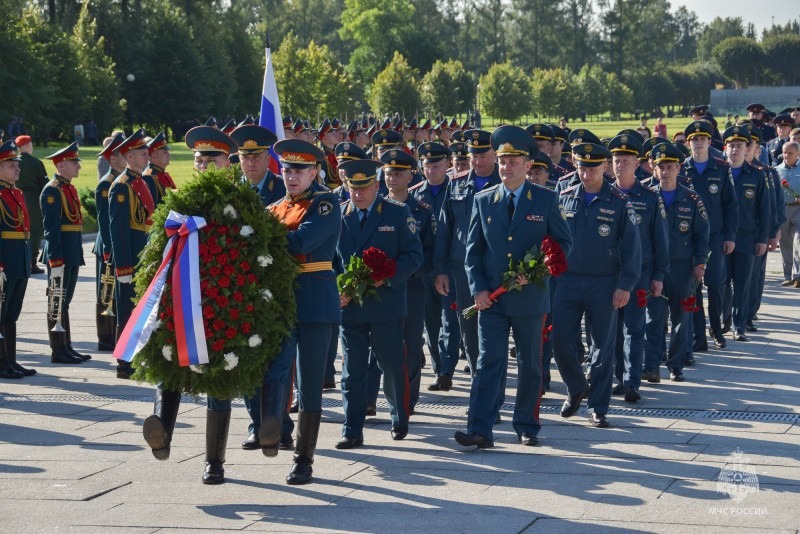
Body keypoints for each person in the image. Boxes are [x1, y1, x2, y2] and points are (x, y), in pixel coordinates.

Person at [453, 126, 572, 449]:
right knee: (487, 361)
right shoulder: (483, 200)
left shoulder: (546, 199)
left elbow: (563, 244)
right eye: (502, 161)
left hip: (530, 299)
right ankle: (480, 428)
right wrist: (477, 289)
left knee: (529, 363)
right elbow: (473, 251)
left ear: (527, 164)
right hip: (492, 299)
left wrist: (538, 273)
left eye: (513, 161)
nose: (506, 167)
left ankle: (527, 425)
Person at [142, 125, 240, 485]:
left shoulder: (237, 200)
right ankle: (162, 432)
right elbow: (159, 245)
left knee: (218, 378)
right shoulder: (178, 198)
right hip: (181, 297)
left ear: (227, 163)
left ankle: (214, 461)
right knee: (168, 360)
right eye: (199, 160)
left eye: (210, 160)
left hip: (221, 301)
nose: (203, 166)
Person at [262, 138, 342, 485]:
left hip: (314, 301)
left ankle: (303, 459)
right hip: (282, 301)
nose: (291, 176)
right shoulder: (276, 207)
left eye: (299, 170)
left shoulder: (326, 203)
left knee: (310, 384)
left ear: (314, 172)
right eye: (286, 169)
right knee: (275, 371)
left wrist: (261, 232)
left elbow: (300, 242)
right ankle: (277, 426)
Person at [335, 157, 423, 449]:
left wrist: (386, 276)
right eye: (352, 188)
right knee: (353, 370)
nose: (358, 195)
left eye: (364, 188)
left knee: (392, 364)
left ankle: (399, 417)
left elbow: (414, 256)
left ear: (375, 186)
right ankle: (352, 427)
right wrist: (338, 290)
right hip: (352, 306)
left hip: (386, 303)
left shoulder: (397, 213)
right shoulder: (339, 215)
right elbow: (331, 262)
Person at [552, 142, 641, 429]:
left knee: (602, 347)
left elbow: (632, 248)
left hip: (604, 283)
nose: (586, 173)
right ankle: (577, 386)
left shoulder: (618, 200)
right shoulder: (563, 196)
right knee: (560, 341)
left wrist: (625, 285)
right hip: (566, 281)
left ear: (605, 167)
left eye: (592, 167)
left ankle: (598, 406)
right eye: (581, 167)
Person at [364, 148, 435, 415]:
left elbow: (429, 250)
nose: (392, 178)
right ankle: (368, 398)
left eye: (399, 173)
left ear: (410, 175)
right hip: (377, 287)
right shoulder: (375, 207)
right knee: (375, 341)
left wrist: (402, 272)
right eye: (388, 172)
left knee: (411, 343)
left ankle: (407, 399)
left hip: (411, 286)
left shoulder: (422, 210)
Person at [608, 134, 669, 400]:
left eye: (626, 160)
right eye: (617, 160)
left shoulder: (650, 197)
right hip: (607, 273)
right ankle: (619, 377)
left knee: (634, 328)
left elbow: (660, 239)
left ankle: (632, 381)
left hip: (639, 273)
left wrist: (658, 275)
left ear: (637, 164)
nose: (620, 165)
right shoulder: (605, 193)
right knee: (611, 330)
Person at [435, 130, 500, 377]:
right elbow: (444, 230)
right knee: (468, 326)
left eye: (483, 155)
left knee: (495, 328)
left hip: (494, 267)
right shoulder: (456, 183)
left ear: (493, 154)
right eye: (473, 155)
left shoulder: (505, 182)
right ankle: (478, 380)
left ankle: (494, 385)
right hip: (462, 269)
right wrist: (441, 270)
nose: (477, 161)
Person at [643, 143, 709, 383]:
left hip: (683, 268)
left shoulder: (691, 198)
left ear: (679, 168)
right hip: (653, 268)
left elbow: (702, 234)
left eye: (670, 166)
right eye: (661, 167)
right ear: (653, 168)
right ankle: (651, 366)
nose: (666, 171)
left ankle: (676, 365)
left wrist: (700, 264)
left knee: (682, 318)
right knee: (654, 318)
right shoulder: (645, 195)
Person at [682, 120, 738, 350]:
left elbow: (730, 205)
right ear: (689, 143)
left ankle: (716, 329)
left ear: (709, 141)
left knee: (715, 284)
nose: (699, 143)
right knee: (693, 286)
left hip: (714, 236)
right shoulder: (681, 168)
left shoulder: (721, 167)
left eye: (703, 139)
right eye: (695, 139)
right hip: (688, 239)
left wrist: (730, 236)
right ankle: (698, 336)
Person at [410, 142, 461, 392]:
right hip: (425, 268)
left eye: (436, 165)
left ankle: (446, 371)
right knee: (431, 322)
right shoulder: (415, 194)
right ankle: (438, 365)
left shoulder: (457, 191)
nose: (431, 170)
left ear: (447, 165)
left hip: (451, 264)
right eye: (427, 165)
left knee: (450, 319)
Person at [109, 129, 155, 379]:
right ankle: (124, 362)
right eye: (141, 152)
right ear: (128, 156)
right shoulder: (122, 187)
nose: (147, 156)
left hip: (143, 256)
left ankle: (137, 357)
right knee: (126, 311)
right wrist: (124, 267)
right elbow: (118, 231)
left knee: (139, 311)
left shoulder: (142, 182)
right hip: (130, 259)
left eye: (146, 152)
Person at [41, 142, 90, 364]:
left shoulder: (68, 188)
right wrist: (55, 259)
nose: (78, 167)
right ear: (61, 165)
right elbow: (51, 229)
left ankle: (66, 346)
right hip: (60, 254)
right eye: (74, 163)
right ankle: (57, 349)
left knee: (65, 301)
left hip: (71, 251)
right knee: (56, 301)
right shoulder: (52, 190)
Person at [719, 126, 769, 342]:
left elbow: (764, 210)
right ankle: (724, 319)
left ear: (747, 148)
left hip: (747, 237)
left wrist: (763, 239)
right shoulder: (718, 173)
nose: (735, 150)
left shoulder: (757, 175)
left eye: (740, 146)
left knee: (742, 282)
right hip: (721, 237)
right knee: (722, 282)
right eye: (731, 146)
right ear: (725, 148)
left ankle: (739, 325)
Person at [0, 141, 35, 378]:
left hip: (19, 259)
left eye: (17, 165)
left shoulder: (16, 193)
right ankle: (2, 362)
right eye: (11, 165)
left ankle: (11, 359)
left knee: (12, 312)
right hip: (5, 262)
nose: (17, 169)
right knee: (1, 313)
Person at [93, 132, 126, 351]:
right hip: (107, 243)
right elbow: (104, 221)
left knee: (113, 291)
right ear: (112, 158)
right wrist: (108, 248)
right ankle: (105, 337)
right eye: (124, 153)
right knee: (106, 290)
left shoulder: (119, 180)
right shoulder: (106, 184)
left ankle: (112, 334)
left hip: (114, 243)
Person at [15, 135, 48, 274]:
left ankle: (18, 260)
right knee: (34, 231)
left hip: (16, 199)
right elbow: (45, 185)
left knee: (18, 231)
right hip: (34, 200)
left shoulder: (14, 162)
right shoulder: (36, 163)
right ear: (28, 145)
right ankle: (32, 263)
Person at [230, 125, 284, 206]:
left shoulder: (283, 187)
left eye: (256, 157)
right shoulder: (231, 188)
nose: (250, 163)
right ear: (239, 159)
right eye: (245, 157)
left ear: (267, 159)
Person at [776, 142, 800, 286]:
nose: (786, 155)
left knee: (798, 240)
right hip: (782, 210)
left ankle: (797, 275)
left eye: (790, 153)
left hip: (798, 210)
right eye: (784, 152)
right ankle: (788, 275)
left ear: (797, 154)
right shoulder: (776, 170)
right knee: (785, 242)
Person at [142, 132, 177, 208]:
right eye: (165, 152)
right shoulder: (148, 176)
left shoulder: (164, 174)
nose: (169, 154)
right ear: (154, 157)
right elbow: (154, 206)